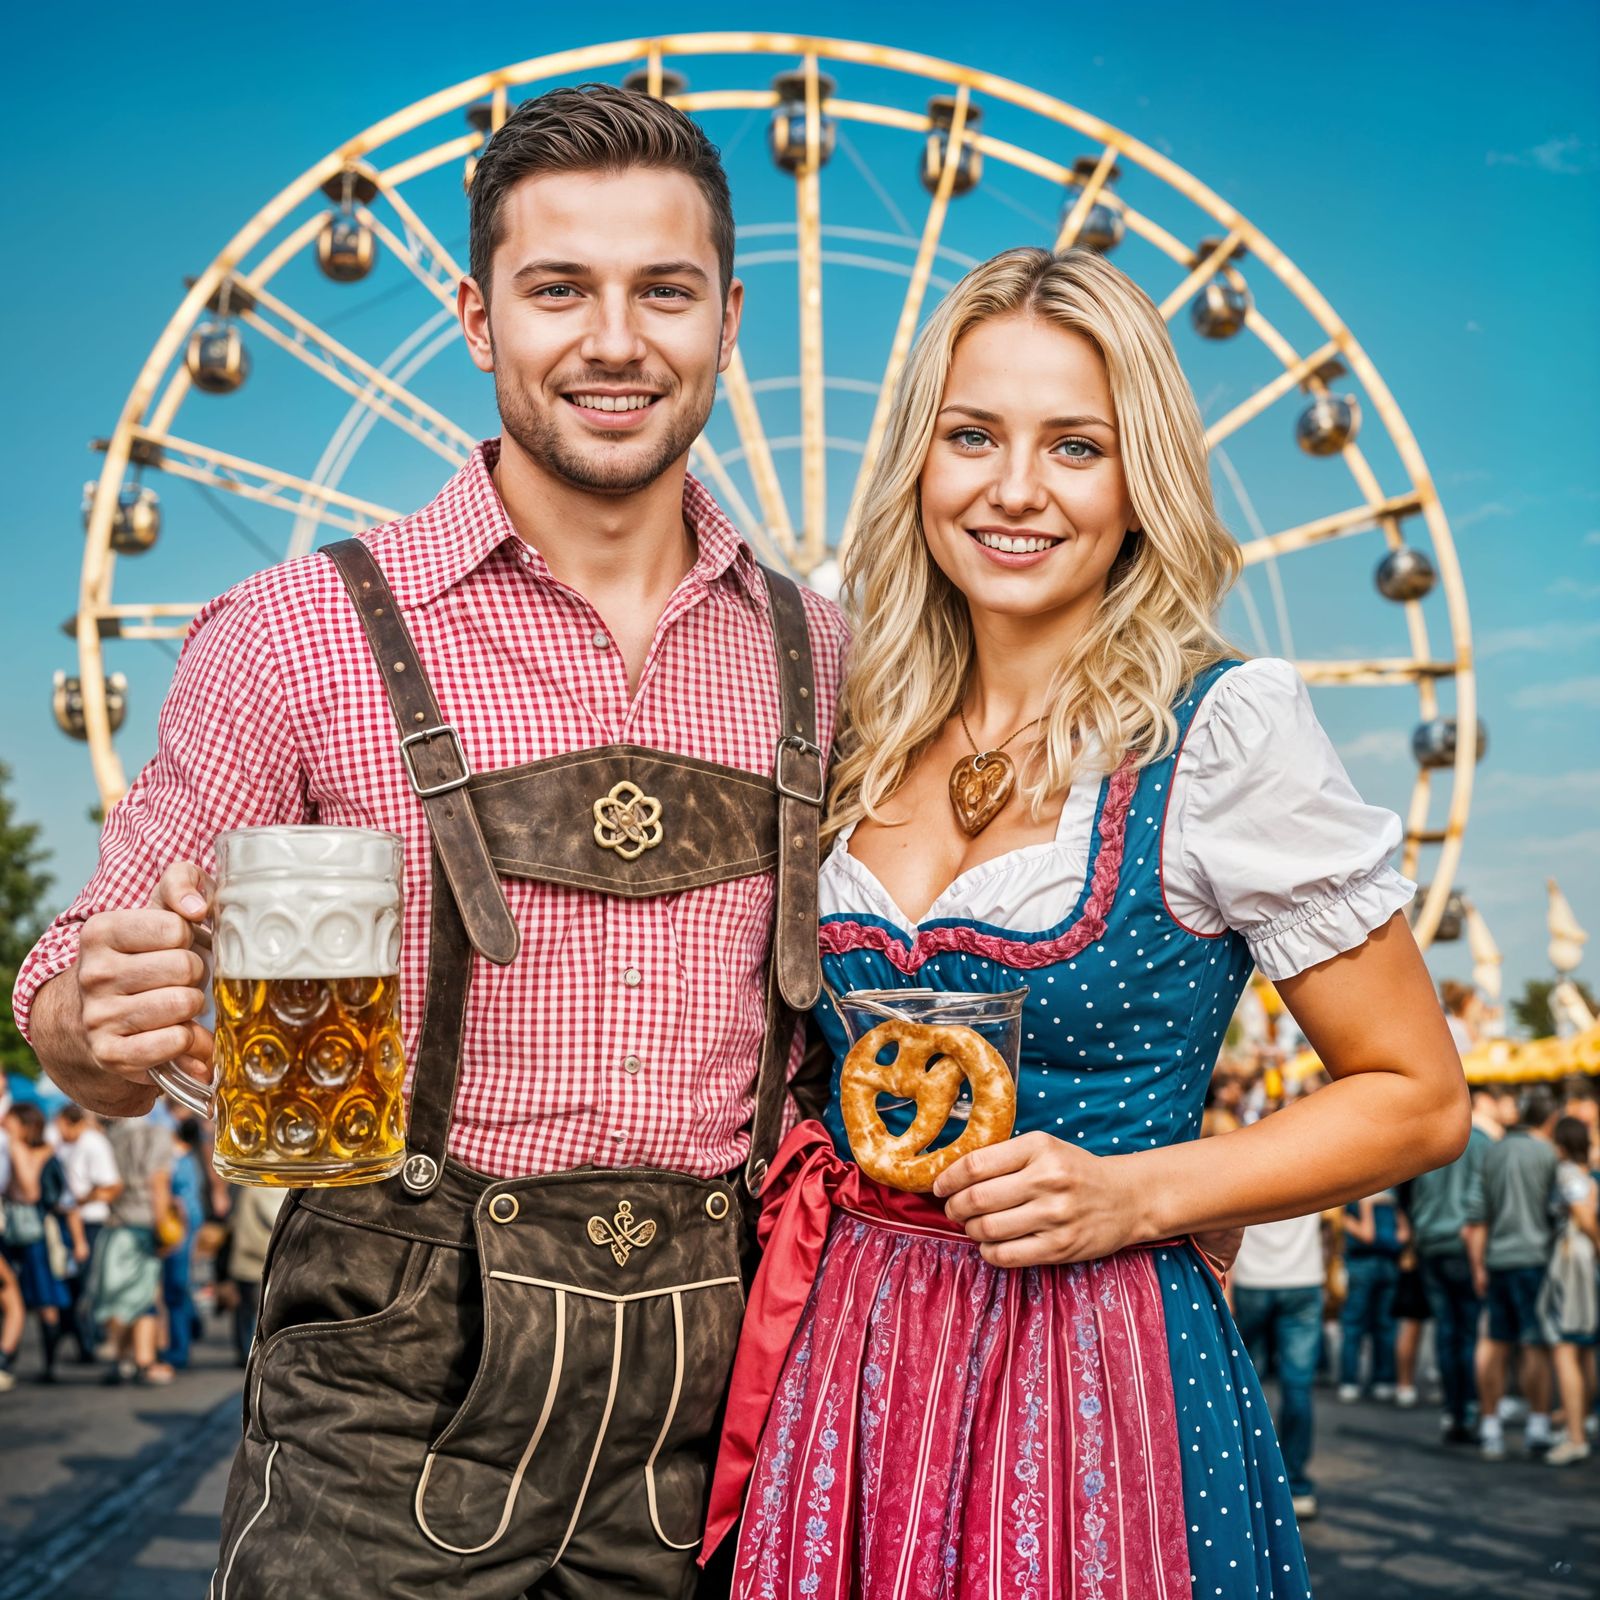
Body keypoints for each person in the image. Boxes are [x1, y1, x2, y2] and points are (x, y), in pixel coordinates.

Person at [13, 84, 846, 1599]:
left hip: (730, 1404)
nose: (613, 340)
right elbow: (80, 985)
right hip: (383, 1399)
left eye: (664, 292)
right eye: (557, 288)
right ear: (476, 317)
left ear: (730, 321)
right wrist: (98, 1019)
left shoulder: (831, 658)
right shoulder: (295, 633)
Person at [702, 247, 1468, 1595]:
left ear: (1139, 484)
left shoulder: (1221, 732)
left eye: (1075, 446)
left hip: (1096, 1366)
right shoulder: (849, 728)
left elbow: (1417, 1096)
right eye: (972, 436)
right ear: (916, 463)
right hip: (849, 1358)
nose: (1014, 488)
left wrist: (1137, 1193)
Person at [1466, 1083, 1560, 1460]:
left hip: (1498, 1259)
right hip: (1536, 1260)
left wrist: (1477, 1265)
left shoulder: (1495, 1150)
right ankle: (1538, 1426)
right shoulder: (1548, 1154)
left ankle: (1490, 1427)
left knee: (1494, 1343)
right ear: (1549, 1118)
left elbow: (1477, 1215)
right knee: (1535, 1344)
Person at [1407, 1095, 1494, 1443]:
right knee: (1468, 1331)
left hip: (1430, 1241)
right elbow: (1481, 1200)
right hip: (1463, 1243)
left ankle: (1451, 1410)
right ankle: (1467, 1408)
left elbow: (1415, 1195)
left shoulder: (1429, 1139)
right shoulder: (1481, 1142)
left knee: (1446, 1331)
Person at [1231, 1211, 1326, 1519]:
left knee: (1245, 1387)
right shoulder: (1311, 1175)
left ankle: (1246, 1481)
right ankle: (1296, 1487)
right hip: (1303, 1276)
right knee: (1298, 1387)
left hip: (1252, 1277)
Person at [1, 1101, 87, 1381]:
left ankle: (47, 1364)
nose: (4, 1123)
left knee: (44, 1296)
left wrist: (16, 1150)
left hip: (35, 1234)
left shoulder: (34, 1152)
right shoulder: (39, 1150)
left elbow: (32, 1192)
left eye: (10, 1120)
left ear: (24, 1125)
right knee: (27, 1297)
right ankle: (20, 1360)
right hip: (21, 1232)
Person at [93, 1111, 176, 1386]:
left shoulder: (112, 1136)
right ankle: (144, 1360)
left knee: (119, 1299)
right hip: (144, 1224)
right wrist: (164, 1229)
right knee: (145, 1297)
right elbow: (158, 1183)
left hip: (116, 1225)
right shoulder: (157, 1136)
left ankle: (121, 1359)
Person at [1540, 1115, 1598, 1465]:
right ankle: (1582, 1421)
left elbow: (1583, 1215)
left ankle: (1576, 1437)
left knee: (1565, 1346)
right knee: (1584, 1348)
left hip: (1571, 1260)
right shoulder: (1588, 1172)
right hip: (1582, 1260)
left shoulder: (1567, 1173)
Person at [54, 1103, 123, 1360]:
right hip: (75, 1221)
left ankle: (90, 1341)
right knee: (75, 1283)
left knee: (87, 1285)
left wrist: (81, 1201)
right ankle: (83, 1340)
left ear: (71, 1122)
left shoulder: (92, 1144)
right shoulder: (71, 1144)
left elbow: (111, 1185)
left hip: (90, 1222)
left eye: (60, 1125)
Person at [1336, 1188, 1408, 1401]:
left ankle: (1350, 1381)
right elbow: (1403, 1235)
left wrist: (1366, 1206)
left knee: (1353, 1325)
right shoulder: (1391, 1193)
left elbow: (1367, 1234)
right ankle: (1383, 1380)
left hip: (1362, 1264)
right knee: (1386, 1326)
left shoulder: (1354, 1194)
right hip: (1389, 1264)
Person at [160, 1116, 205, 1370]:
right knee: (182, 1284)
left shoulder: (176, 1161)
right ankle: (190, 1328)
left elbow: (180, 1204)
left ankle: (179, 1348)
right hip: (188, 1226)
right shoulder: (191, 1159)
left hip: (178, 1227)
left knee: (175, 1288)